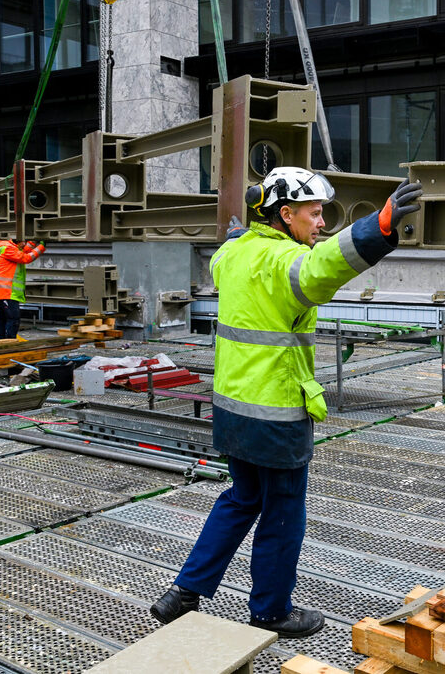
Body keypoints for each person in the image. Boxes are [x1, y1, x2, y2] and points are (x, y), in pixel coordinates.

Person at [150, 166, 422, 638]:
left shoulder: (234, 252)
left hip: (232, 410)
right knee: (282, 513)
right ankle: (272, 611)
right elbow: (324, 266)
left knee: (242, 498)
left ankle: (185, 591)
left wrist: (240, 234)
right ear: (285, 214)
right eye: (315, 215)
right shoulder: (284, 264)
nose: (322, 224)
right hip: (275, 414)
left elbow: (226, 253)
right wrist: (377, 227)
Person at [0, 239, 46, 339]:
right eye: (24, 242)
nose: (24, 244)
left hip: (5, 291)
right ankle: (9, 341)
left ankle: (2, 341)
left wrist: (31, 244)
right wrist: (41, 247)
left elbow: (22, 252)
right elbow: (26, 258)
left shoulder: (9, 247)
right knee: (13, 318)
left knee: (4, 318)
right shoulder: (9, 248)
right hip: (7, 291)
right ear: (18, 241)